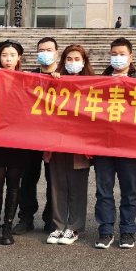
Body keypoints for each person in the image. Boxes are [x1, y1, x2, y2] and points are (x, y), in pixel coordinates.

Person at [93, 37, 136, 249]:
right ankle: (105, 230)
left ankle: (127, 231)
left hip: (129, 144)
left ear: (131, 57)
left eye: (122, 54)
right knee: (103, 190)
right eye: (114, 54)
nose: (118, 58)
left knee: (129, 190)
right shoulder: (100, 81)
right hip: (103, 144)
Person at [0, 40, 35, 246]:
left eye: (12, 55)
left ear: (19, 58)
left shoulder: (26, 79)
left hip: (18, 138)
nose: (8, 59)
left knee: (14, 184)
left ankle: (7, 226)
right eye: (4, 55)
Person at [46, 45, 93, 246]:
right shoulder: (56, 81)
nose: (73, 63)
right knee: (57, 186)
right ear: (63, 61)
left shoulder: (93, 84)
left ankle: (73, 227)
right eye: (69, 59)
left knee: (77, 188)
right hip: (56, 142)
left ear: (84, 62)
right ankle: (58, 225)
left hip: (80, 144)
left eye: (77, 59)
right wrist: (53, 81)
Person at [14, 37, 60, 235]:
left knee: (54, 180)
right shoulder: (29, 77)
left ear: (56, 53)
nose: (45, 53)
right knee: (28, 178)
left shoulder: (65, 77)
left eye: (49, 50)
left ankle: (51, 218)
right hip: (31, 136)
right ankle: (26, 217)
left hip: (55, 136)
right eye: (41, 50)